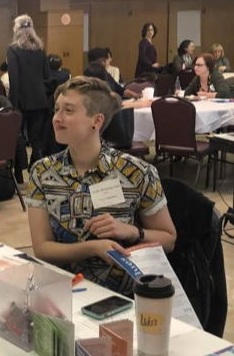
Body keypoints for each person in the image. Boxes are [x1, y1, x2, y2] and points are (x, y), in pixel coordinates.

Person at [26, 76, 177, 296]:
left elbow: (169, 240)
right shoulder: (43, 172)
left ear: (96, 122)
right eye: (56, 109)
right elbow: (42, 248)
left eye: (68, 111)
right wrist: (92, 248)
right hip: (64, 294)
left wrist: (130, 231)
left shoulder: (136, 172)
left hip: (122, 297)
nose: (57, 118)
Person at [7, 14, 51, 163]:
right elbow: (47, 75)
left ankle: (19, 175)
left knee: (16, 137)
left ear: (16, 30)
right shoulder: (40, 50)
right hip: (39, 100)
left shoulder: (13, 50)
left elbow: (14, 79)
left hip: (21, 100)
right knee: (35, 138)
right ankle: (40, 170)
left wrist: (12, 105)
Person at [83, 63, 152, 109]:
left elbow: (120, 90)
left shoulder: (84, 92)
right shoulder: (99, 94)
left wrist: (134, 95)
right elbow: (118, 106)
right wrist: (143, 104)